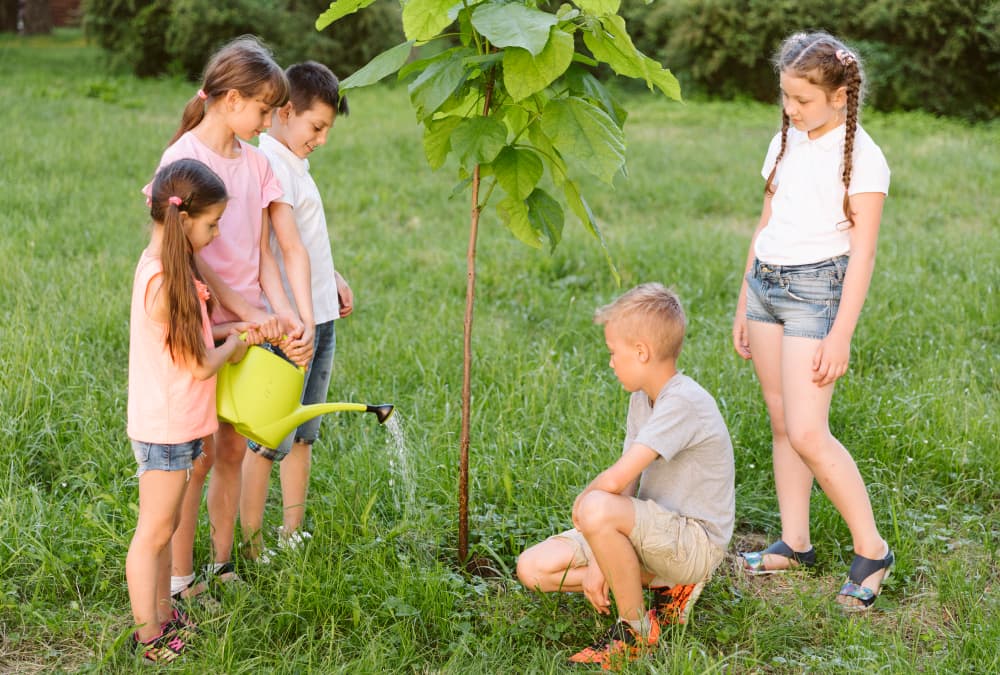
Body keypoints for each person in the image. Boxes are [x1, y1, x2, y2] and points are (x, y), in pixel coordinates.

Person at [143, 35, 315, 603]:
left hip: (249, 327)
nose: (269, 122)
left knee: (233, 450)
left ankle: (220, 564)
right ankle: (181, 577)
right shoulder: (184, 158)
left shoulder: (258, 161)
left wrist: (282, 315)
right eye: (265, 109)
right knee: (196, 458)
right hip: (211, 328)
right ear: (233, 100)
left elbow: (265, 253)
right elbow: (186, 254)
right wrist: (245, 313)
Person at [731, 32, 893, 611]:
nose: (790, 109)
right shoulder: (786, 141)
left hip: (815, 295)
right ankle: (795, 542)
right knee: (781, 421)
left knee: (807, 430)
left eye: (801, 100)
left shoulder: (864, 159)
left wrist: (841, 333)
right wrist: (743, 300)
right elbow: (766, 221)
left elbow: (864, 253)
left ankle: (872, 549)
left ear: (841, 95)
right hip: (767, 288)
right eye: (785, 97)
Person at [517, 283, 734, 669]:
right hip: (648, 531)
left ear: (642, 352)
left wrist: (584, 508)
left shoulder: (683, 401)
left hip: (692, 542)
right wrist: (601, 560)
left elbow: (615, 483)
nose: (611, 362)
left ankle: (634, 630)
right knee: (533, 568)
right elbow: (627, 485)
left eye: (613, 353)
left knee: (597, 507)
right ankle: (654, 585)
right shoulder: (641, 398)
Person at [126, 159, 255, 662]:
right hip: (165, 427)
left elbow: (197, 340)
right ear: (183, 219)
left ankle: (161, 611)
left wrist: (234, 332)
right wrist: (236, 347)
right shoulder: (163, 282)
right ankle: (148, 637)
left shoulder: (171, 270)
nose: (216, 232)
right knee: (154, 533)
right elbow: (202, 364)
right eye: (212, 224)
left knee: (165, 529)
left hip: (179, 424)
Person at [240, 61, 355, 560]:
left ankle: (292, 531)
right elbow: (274, 250)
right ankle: (250, 542)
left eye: (328, 129)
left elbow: (305, 243)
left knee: (304, 432)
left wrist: (331, 279)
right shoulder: (268, 164)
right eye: (317, 127)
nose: (322, 139)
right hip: (290, 326)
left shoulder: (295, 164)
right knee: (269, 437)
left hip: (320, 316)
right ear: (286, 112)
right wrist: (294, 317)